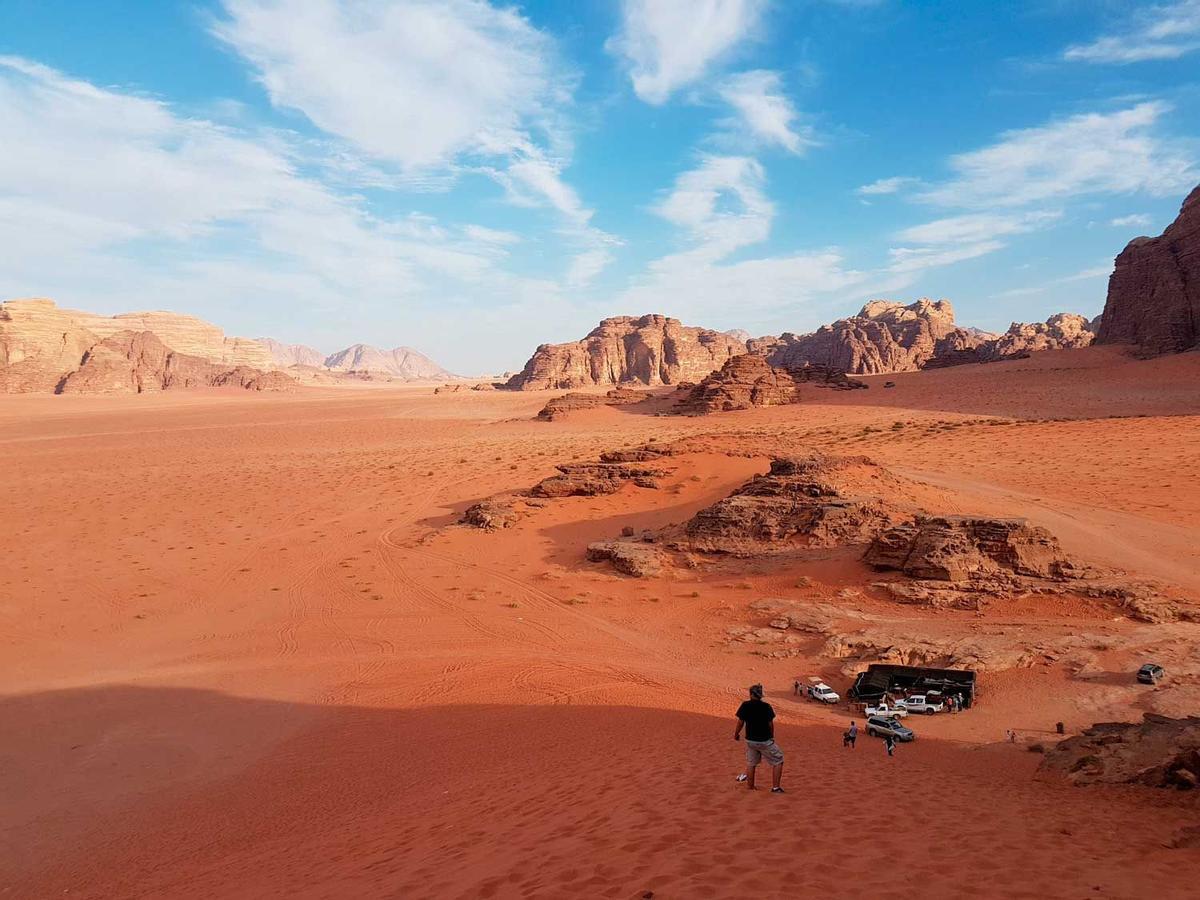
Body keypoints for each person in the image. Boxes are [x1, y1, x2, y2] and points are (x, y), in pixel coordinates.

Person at [734, 684, 784, 793]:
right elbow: (770, 724)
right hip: (764, 740)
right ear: (761, 695)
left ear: (751, 694)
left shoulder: (745, 705)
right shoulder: (766, 707)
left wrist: (736, 734)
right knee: (778, 760)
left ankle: (750, 787)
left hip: (750, 740)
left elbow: (740, 722)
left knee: (751, 763)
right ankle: (776, 788)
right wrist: (771, 736)